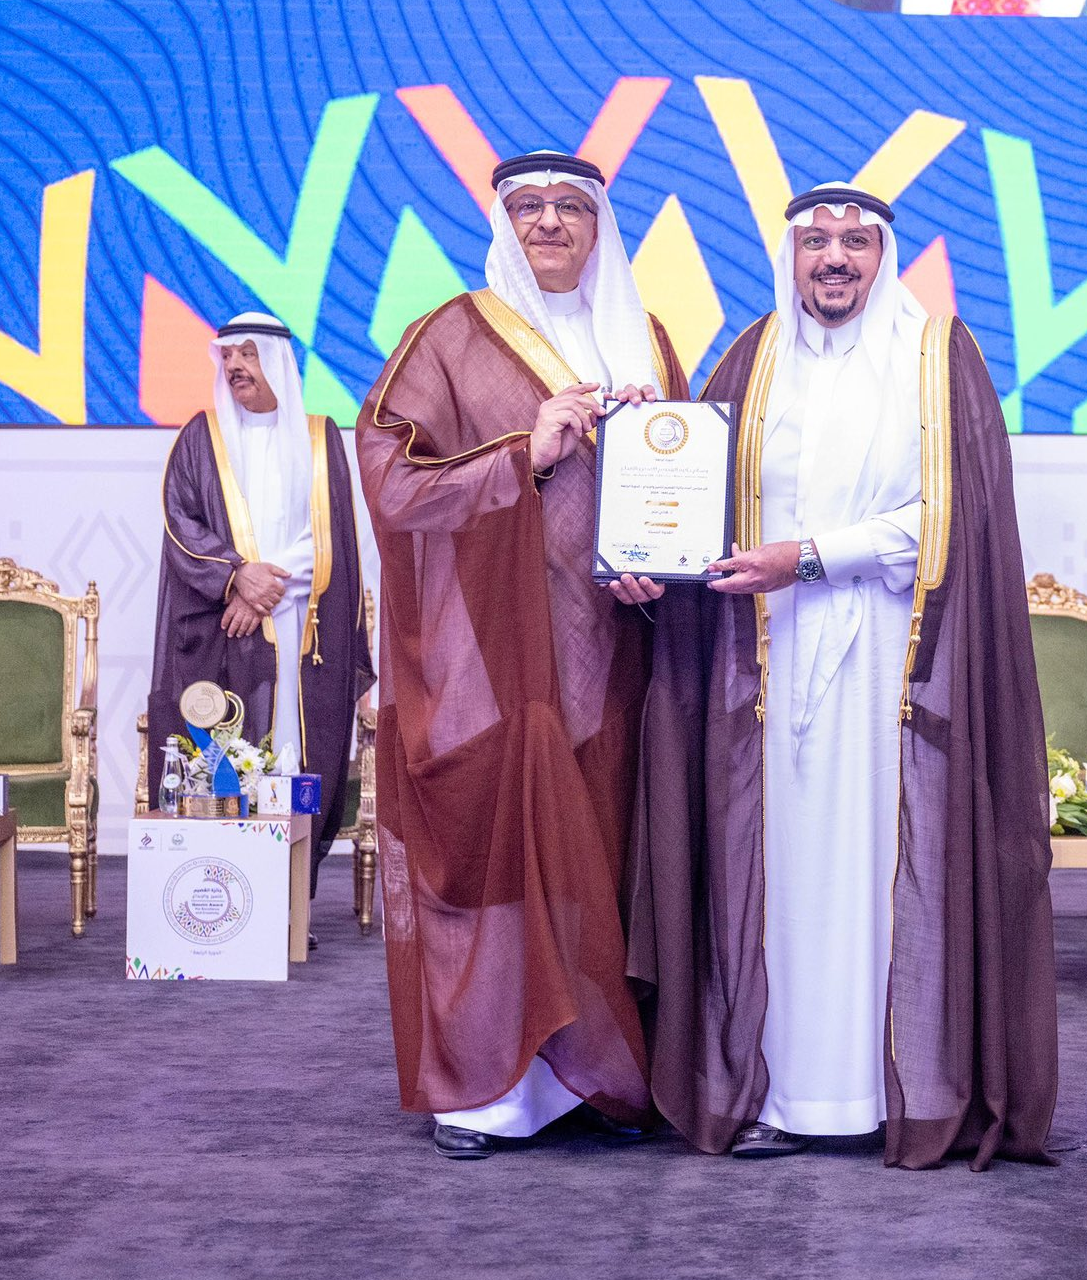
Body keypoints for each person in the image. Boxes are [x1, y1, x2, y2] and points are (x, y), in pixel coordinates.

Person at [620, 184, 1058, 1169]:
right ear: (789, 254)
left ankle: (887, 1089)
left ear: (882, 256)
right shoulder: (751, 358)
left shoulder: (934, 358)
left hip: (891, 671)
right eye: (814, 240)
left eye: (855, 242)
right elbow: (692, 506)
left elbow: (951, 519)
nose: (833, 257)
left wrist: (809, 555)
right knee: (777, 878)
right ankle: (786, 1093)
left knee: (881, 876)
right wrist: (649, 551)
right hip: (761, 674)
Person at [356, 150, 688, 1159]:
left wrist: (656, 571)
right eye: (530, 207)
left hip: (607, 657)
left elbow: (685, 491)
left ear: (598, 225)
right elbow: (386, 476)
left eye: (570, 207)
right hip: (483, 655)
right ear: (504, 223)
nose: (549, 222)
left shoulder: (650, 338)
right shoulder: (450, 335)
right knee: (493, 859)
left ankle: (586, 1076)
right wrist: (523, 454)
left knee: (595, 854)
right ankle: (487, 1091)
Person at [150, 312, 373, 902]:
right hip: (222, 624)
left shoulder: (320, 437)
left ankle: (289, 898)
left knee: (293, 748)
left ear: (275, 360)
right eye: (227, 356)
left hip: (301, 619)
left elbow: (332, 534)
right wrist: (236, 576)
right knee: (224, 741)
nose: (235, 366)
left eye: (247, 354)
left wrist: (267, 586)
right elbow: (180, 522)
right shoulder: (200, 437)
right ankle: (212, 891)